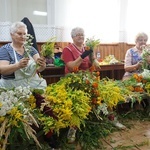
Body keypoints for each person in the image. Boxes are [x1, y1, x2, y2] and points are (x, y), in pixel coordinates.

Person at [62, 27, 125, 144]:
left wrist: (94, 59)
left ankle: (112, 118)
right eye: (78, 35)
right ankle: (72, 129)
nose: (81, 36)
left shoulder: (87, 47)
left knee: (104, 95)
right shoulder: (68, 49)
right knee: (78, 101)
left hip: (89, 79)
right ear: (72, 37)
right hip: (74, 79)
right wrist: (82, 56)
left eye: (82, 34)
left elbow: (93, 61)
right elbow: (70, 66)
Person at [0, 21, 47, 89]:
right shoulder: (5, 50)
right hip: (11, 87)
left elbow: (39, 69)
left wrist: (43, 65)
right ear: (12, 34)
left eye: (25, 34)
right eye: (19, 34)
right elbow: (2, 70)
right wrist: (18, 65)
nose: (23, 36)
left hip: (32, 85)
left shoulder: (31, 49)